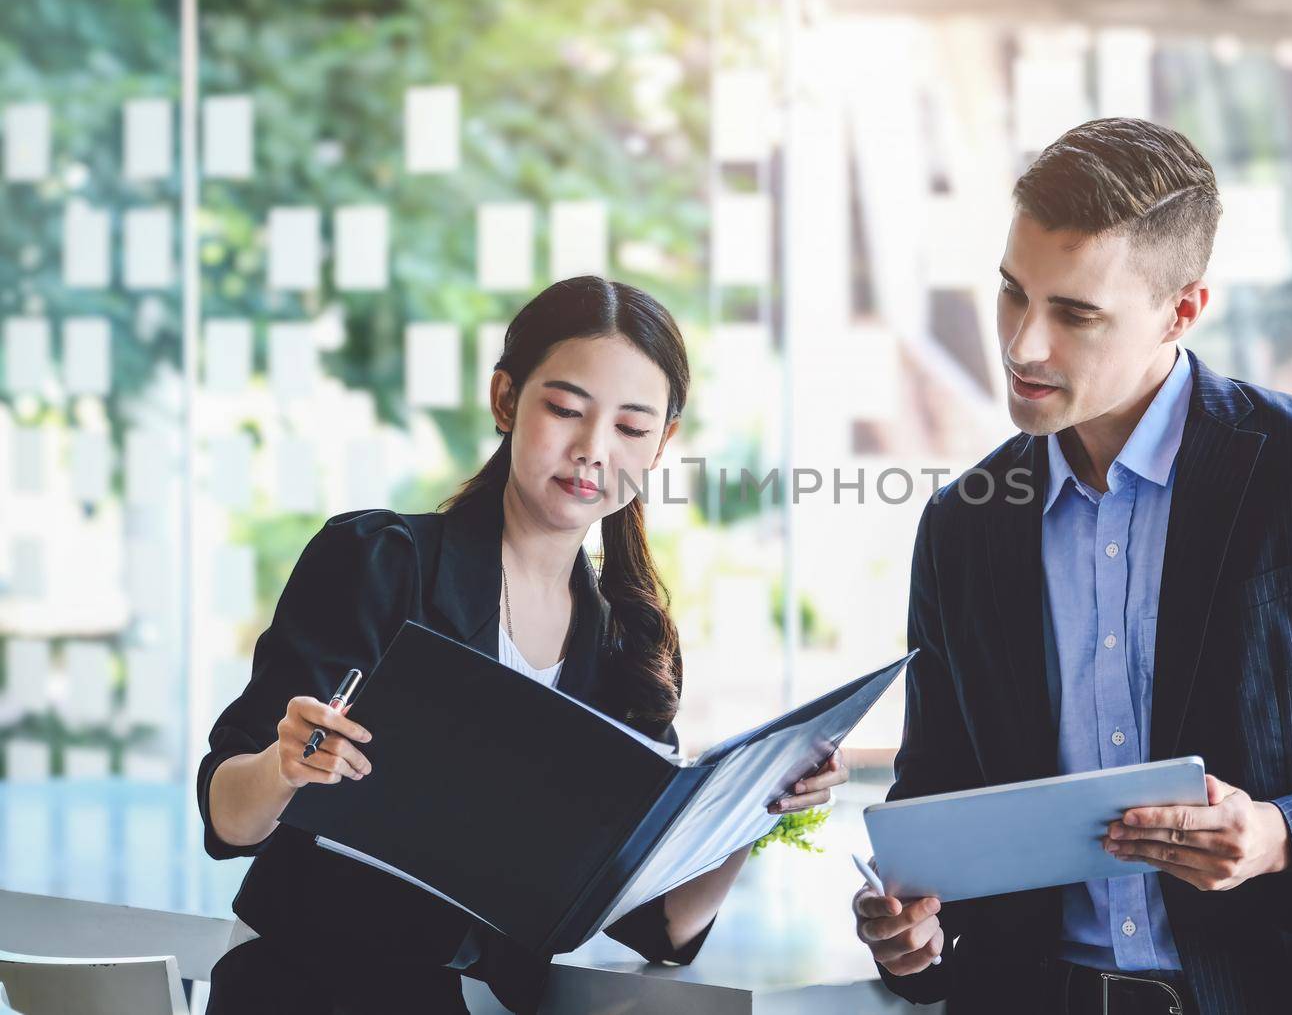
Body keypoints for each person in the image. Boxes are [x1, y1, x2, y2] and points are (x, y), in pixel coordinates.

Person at [850, 119, 1292, 1014]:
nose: (1023, 344)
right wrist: (913, 931)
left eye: (1076, 313)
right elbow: (938, 798)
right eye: (1012, 293)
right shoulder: (962, 522)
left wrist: (1279, 835)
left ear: (1183, 309)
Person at [199, 276, 848, 1013]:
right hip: (307, 988)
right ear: (506, 399)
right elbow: (227, 818)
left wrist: (754, 807)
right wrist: (284, 765)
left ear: (663, 443)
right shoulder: (381, 561)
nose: (591, 450)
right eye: (566, 409)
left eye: (632, 429)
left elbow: (660, 921)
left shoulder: (623, 645)